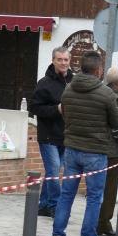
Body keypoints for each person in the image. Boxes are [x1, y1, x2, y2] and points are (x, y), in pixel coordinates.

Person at [52, 51, 118, 236]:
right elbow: (117, 123)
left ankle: (58, 235)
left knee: (66, 195)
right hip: (96, 152)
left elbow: (64, 113)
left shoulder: (68, 89)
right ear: (99, 70)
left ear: (81, 68)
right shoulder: (107, 94)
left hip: (72, 149)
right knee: (94, 198)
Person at [29, 46, 73, 218]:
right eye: (59, 59)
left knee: (52, 171)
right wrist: (57, 109)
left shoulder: (73, 82)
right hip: (48, 135)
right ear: (53, 61)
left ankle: (44, 205)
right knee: (54, 171)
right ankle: (56, 205)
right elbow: (34, 108)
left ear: (70, 61)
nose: (63, 63)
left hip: (66, 135)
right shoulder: (44, 83)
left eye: (66, 60)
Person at [97, 67, 118, 236]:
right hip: (111, 150)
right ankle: (103, 223)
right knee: (109, 189)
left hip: (98, 146)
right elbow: (116, 126)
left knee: (98, 188)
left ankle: (97, 220)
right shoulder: (116, 98)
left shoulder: (101, 92)